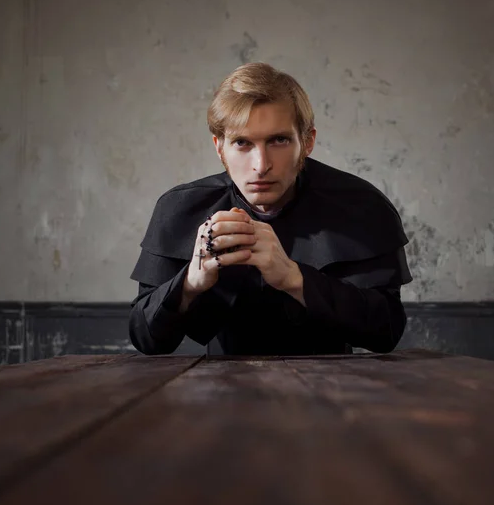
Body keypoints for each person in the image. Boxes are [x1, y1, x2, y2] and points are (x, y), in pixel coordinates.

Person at [129, 62, 412, 356]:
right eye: (241, 142)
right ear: (219, 147)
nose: (261, 165)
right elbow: (146, 339)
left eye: (279, 140)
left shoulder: (363, 205)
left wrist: (292, 277)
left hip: (335, 393)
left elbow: (386, 333)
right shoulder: (179, 208)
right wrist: (189, 283)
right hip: (218, 393)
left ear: (307, 141)